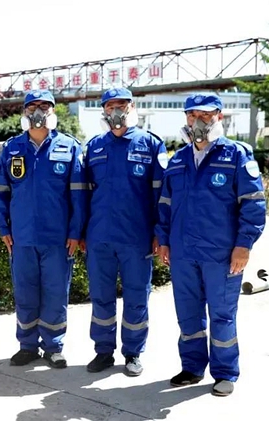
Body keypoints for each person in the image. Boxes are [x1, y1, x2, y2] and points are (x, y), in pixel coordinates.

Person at [156, 93, 266, 397]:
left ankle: (225, 372)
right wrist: (163, 240)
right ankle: (192, 367)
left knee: (222, 314)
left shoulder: (236, 155)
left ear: (219, 116)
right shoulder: (178, 159)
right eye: (192, 115)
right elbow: (165, 204)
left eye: (205, 115)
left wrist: (244, 245)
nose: (198, 121)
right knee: (188, 313)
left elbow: (253, 204)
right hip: (183, 252)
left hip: (221, 253)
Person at [0, 89, 87, 368]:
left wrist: (75, 232)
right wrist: (3, 228)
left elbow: (78, 196)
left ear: (53, 111)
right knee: (25, 294)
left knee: (56, 294)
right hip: (22, 237)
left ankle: (54, 346)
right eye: (32, 107)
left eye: (45, 106)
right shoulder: (12, 148)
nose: (38, 112)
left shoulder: (69, 147)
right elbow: (0, 191)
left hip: (57, 238)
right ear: (24, 112)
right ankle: (28, 346)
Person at [83, 87, 167, 376]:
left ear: (132, 107)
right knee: (101, 296)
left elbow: (161, 195)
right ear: (104, 111)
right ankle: (103, 351)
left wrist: (159, 233)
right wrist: (81, 232)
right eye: (110, 106)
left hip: (137, 237)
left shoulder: (150, 144)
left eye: (122, 105)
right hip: (100, 237)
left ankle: (133, 353)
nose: (116, 111)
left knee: (137, 296)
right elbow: (83, 195)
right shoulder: (94, 147)